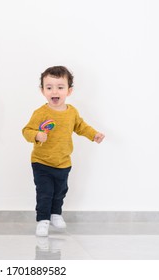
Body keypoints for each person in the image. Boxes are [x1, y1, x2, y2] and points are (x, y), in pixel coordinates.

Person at [22, 66, 104, 237]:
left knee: (60, 191)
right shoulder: (41, 113)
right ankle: (43, 220)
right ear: (42, 90)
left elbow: (81, 126)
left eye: (60, 87)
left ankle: (55, 214)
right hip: (41, 161)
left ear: (69, 91)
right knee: (45, 192)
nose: (54, 91)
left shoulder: (72, 112)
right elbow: (26, 131)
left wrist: (94, 134)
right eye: (49, 87)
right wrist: (36, 135)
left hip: (63, 161)